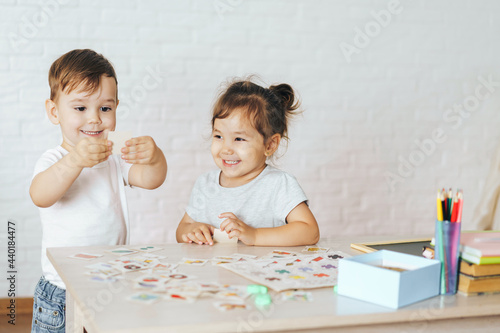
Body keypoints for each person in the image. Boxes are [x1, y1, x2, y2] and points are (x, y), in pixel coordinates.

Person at [29, 49, 167, 332]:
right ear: (54, 112)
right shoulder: (55, 160)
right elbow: (40, 195)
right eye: (80, 108)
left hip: (108, 284)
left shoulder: (114, 160)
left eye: (105, 108)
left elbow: (152, 179)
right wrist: (76, 160)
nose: (94, 119)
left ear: (116, 107)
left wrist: (155, 157)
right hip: (62, 290)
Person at [176, 78, 319, 246]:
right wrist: (192, 230)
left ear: (270, 144)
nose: (226, 149)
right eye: (219, 136)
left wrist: (255, 235)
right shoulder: (205, 184)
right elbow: (181, 230)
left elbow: (310, 231)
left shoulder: (278, 184)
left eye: (239, 138)